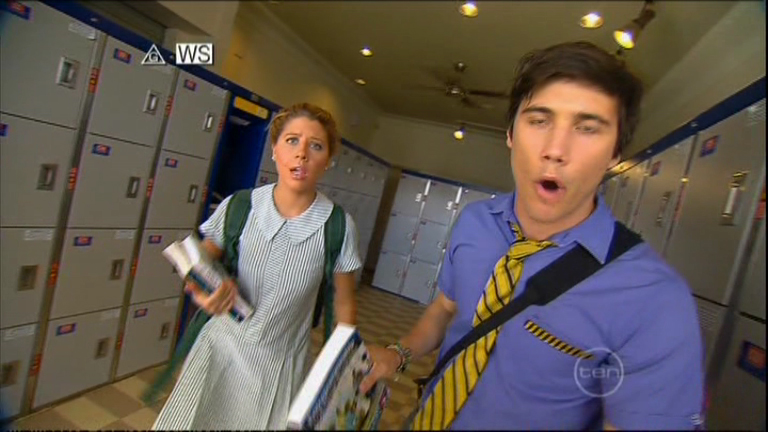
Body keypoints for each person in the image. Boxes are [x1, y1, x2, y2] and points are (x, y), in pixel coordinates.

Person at [360, 41, 704, 430]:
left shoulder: (655, 298)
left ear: (614, 155)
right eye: (539, 121)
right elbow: (445, 308)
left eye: (587, 128)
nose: (555, 150)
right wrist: (398, 353)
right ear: (510, 133)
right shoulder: (475, 222)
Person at [153, 103, 363, 430]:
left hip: (280, 365)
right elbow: (200, 265)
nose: (302, 153)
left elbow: (345, 303)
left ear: (327, 161)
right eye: (292, 140)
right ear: (275, 150)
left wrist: (343, 372)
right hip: (218, 350)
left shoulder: (338, 226)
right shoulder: (239, 206)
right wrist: (203, 292)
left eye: (316, 146)